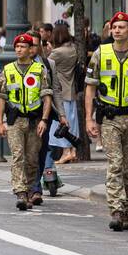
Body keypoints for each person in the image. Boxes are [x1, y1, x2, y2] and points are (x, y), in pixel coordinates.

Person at [84, 12, 128, 232]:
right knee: (115, 163)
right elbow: (90, 87)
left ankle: (125, 209)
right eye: (114, 27)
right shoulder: (100, 54)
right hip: (110, 118)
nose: (117, 30)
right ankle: (115, 209)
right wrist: (89, 118)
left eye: (122, 27)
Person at [0, 33, 58, 211]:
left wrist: (44, 120)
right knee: (18, 156)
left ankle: (31, 189)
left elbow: (46, 96)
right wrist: (0, 122)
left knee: (32, 159)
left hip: (34, 120)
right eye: (16, 47)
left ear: (31, 50)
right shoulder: (8, 70)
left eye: (22, 47)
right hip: (15, 121)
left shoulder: (39, 70)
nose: (18, 49)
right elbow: (1, 98)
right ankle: (20, 192)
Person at [48, 23, 80, 165]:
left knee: (61, 124)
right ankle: (72, 151)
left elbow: (46, 65)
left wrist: (48, 51)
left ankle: (66, 152)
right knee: (71, 122)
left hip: (60, 91)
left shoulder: (57, 52)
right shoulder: (73, 49)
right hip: (71, 90)